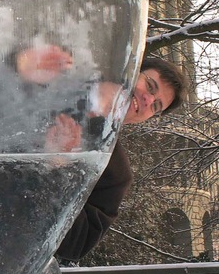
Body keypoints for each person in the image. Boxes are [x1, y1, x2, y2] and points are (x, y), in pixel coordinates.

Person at [49, 54, 190, 262]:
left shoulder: (114, 173)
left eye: (156, 106)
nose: (148, 100)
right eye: (150, 86)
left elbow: (75, 245)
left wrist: (56, 169)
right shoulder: (52, 77)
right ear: (129, 70)